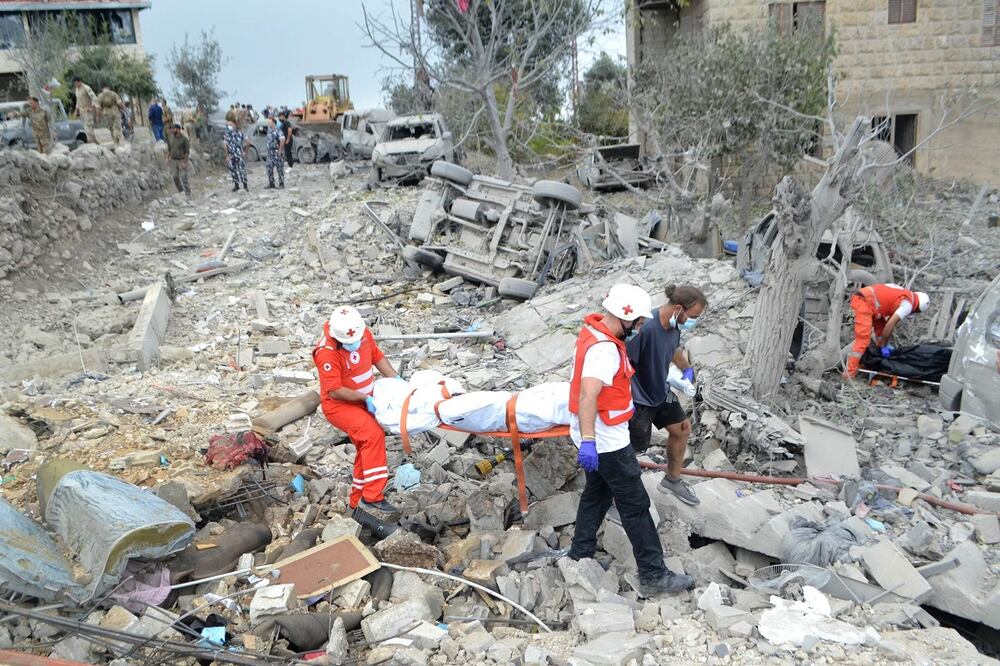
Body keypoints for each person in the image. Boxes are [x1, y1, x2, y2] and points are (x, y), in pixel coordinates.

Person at [567, 284, 695, 597]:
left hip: (601, 435)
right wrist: (588, 440)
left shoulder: (596, 334)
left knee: (596, 492)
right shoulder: (604, 350)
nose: (640, 327)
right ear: (623, 318)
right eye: (636, 322)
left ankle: (579, 552)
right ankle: (654, 574)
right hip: (606, 441)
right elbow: (588, 394)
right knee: (636, 505)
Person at [313, 305, 402, 516]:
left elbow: (377, 357)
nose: (353, 343)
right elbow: (334, 391)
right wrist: (365, 398)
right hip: (339, 406)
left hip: (362, 400)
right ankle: (373, 498)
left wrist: (396, 380)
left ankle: (357, 501)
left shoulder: (361, 333)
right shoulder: (326, 353)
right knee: (373, 435)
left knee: (366, 446)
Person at [627, 285, 707, 506]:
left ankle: (672, 480)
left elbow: (673, 350)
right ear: (679, 308)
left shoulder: (674, 324)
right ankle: (620, 498)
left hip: (659, 391)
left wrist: (688, 370)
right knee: (630, 450)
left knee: (682, 429)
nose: (693, 321)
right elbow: (625, 361)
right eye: (693, 316)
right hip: (638, 397)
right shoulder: (646, 326)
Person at [846, 283, 930, 379]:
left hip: (873, 303)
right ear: (917, 309)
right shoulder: (907, 305)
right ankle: (849, 374)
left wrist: (883, 342)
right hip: (864, 302)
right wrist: (884, 345)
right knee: (863, 340)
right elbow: (890, 324)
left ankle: (869, 360)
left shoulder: (904, 294)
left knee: (881, 329)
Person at [165, 123, 191, 198]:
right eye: (172, 129)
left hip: (181, 160)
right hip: (173, 160)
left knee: (183, 177)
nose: (172, 130)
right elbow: (170, 149)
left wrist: (184, 162)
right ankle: (181, 192)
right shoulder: (170, 137)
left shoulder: (184, 139)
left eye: (174, 129)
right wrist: (167, 157)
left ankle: (187, 193)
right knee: (175, 177)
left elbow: (187, 152)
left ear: (178, 129)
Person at [223, 120, 249, 192]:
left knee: (242, 170)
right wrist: (227, 155)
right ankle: (236, 185)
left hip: (239, 155)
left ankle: (245, 185)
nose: (229, 126)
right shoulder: (227, 134)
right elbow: (225, 145)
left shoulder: (241, 133)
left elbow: (248, 142)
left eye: (231, 124)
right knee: (233, 170)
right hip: (231, 155)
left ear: (235, 125)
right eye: (228, 125)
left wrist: (245, 152)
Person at [265, 116, 285, 189]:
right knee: (269, 168)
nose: (268, 123)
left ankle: (281, 184)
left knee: (279, 168)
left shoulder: (278, 131)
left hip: (276, 152)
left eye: (269, 122)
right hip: (270, 153)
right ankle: (271, 183)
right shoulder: (269, 131)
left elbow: (282, 140)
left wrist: (280, 151)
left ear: (273, 122)